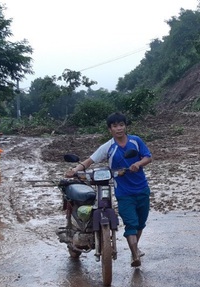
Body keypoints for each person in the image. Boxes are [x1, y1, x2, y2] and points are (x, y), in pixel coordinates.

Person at [65, 112, 152, 268]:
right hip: (124, 193)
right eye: (115, 126)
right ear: (110, 129)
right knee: (131, 224)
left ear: (125, 126)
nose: (119, 128)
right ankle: (134, 255)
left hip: (142, 189)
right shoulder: (108, 146)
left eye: (121, 125)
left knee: (140, 224)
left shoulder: (136, 141)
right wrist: (75, 170)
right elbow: (90, 160)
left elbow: (148, 157)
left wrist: (138, 164)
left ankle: (135, 248)